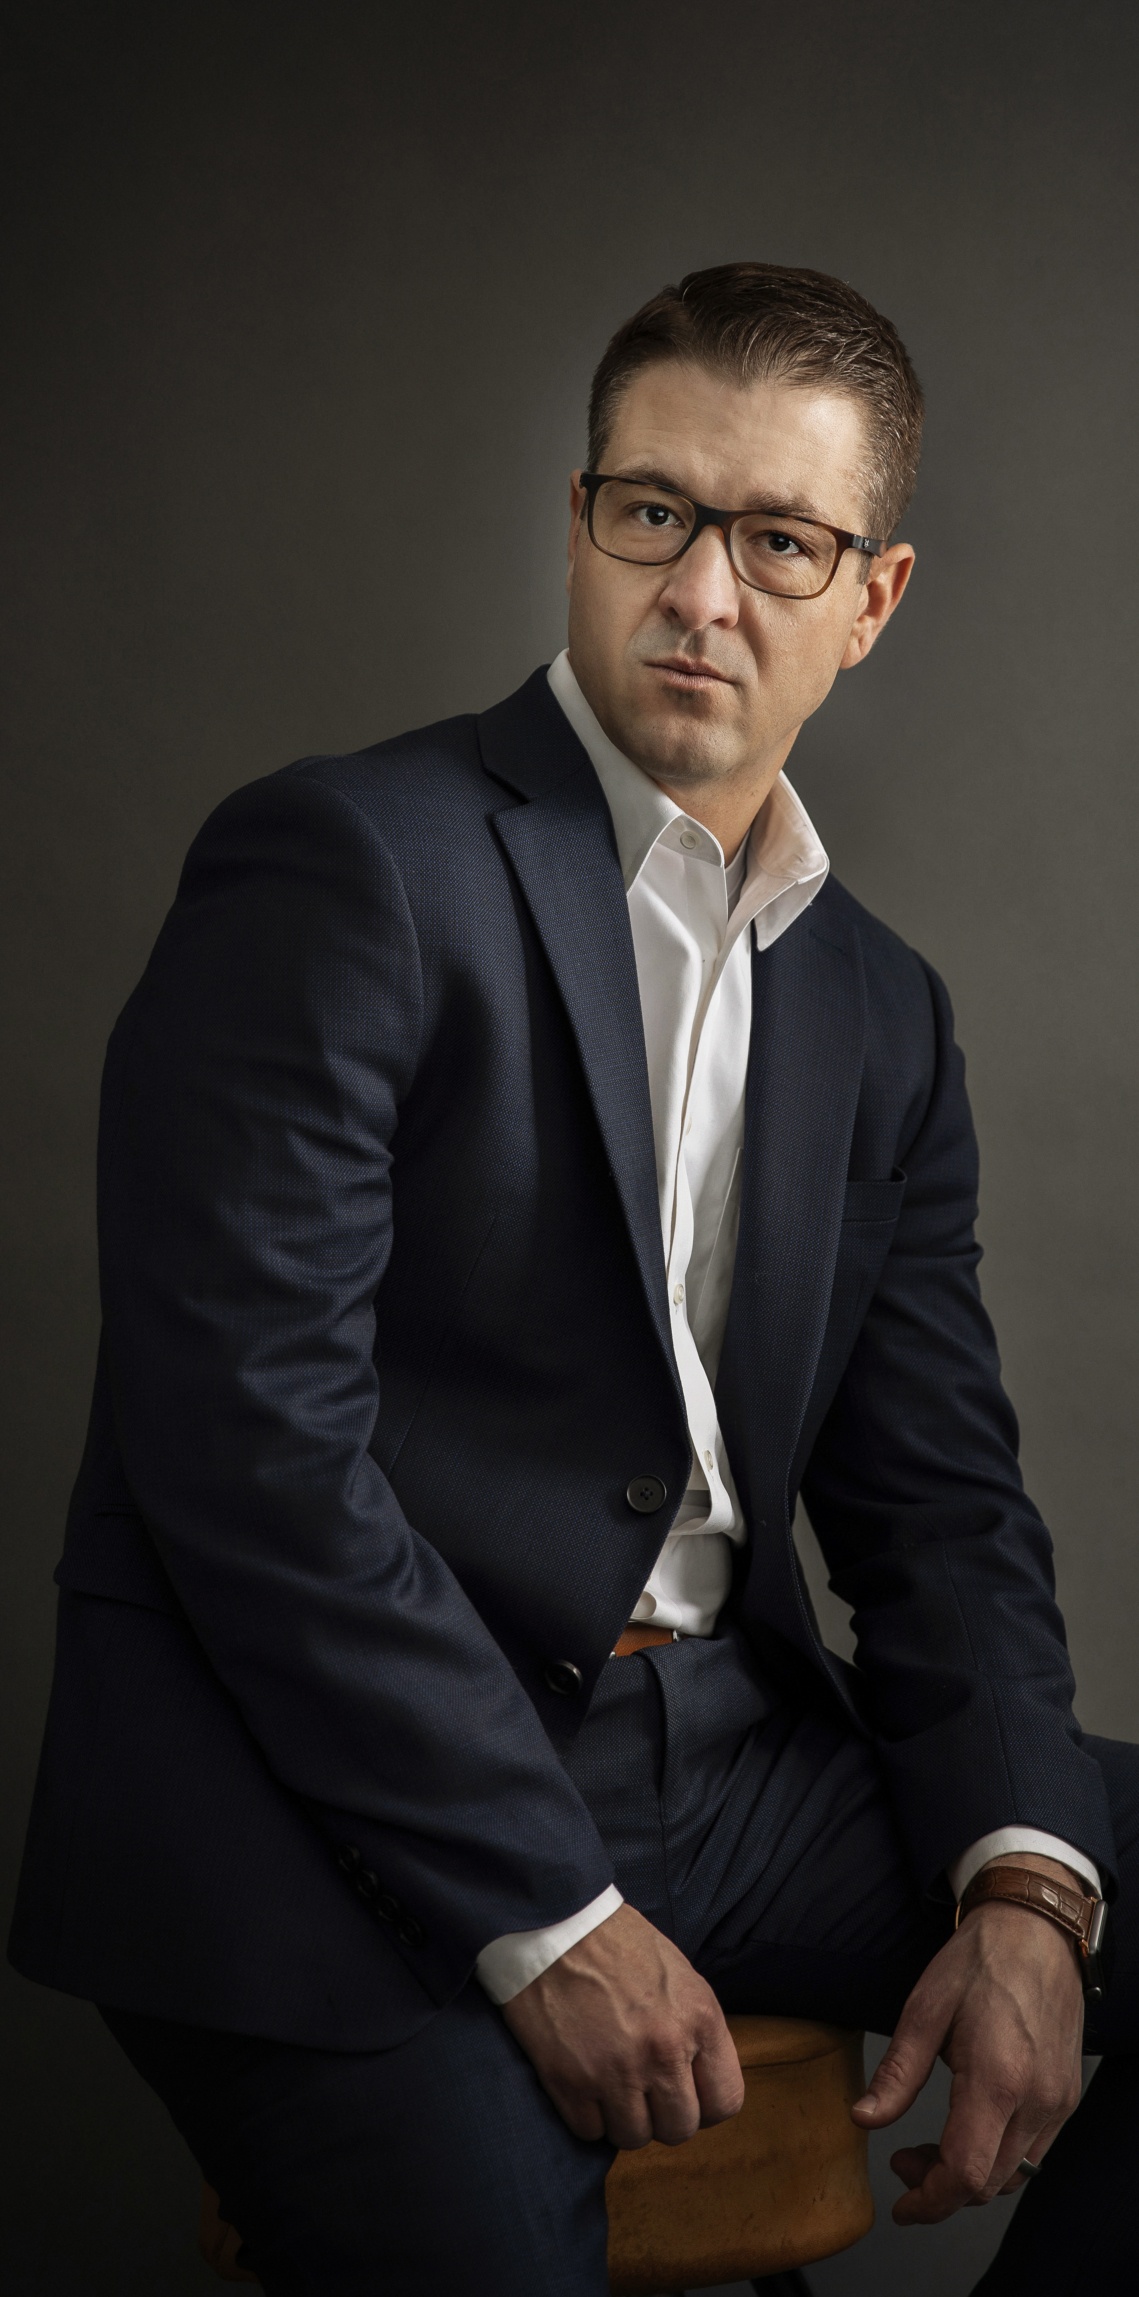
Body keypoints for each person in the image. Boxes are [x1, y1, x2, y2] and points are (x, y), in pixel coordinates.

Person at [9, 263, 1136, 2296]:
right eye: (654, 515)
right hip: (317, 1791)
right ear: (580, 521)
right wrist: (545, 1914)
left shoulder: (882, 1012)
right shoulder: (345, 864)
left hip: (714, 1762)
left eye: (779, 542)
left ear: (872, 600)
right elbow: (248, 1451)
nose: (703, 592)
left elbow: (944, 1513)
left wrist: (1030, 1896)